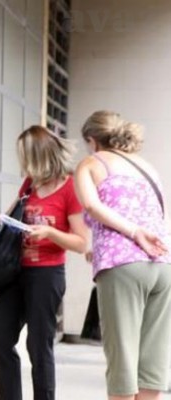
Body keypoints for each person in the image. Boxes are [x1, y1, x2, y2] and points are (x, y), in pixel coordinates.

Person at [0, 125, 88, 400]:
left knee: (38, 347)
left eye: (27, 156)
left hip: (46, 275)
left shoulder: (70, 189)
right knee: (0, 340)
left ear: (41, 155)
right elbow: (4, 220)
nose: (23, 163)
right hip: (15, 273)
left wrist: (49, 233)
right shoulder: (30, 185)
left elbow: (81, 242)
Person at [73, 110, 171, 400]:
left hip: (122, 265)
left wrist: (132, 233)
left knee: (122, 359)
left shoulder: (92, 163)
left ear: (92, 140)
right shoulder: (147, 167)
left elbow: (91, 206)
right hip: (163, 264)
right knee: (153, 359)